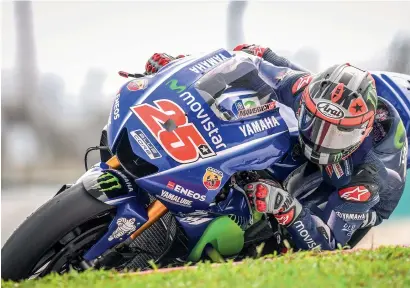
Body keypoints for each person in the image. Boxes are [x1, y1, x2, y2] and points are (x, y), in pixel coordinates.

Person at [142, 45, 408, 250]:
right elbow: (249, 60)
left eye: (338, 133)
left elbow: (330, 246)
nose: (322, 140)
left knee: (286, 240)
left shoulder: (368, 178)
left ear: (360, 132)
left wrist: (288, 208)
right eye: (315, 122)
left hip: (352, 183)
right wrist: (180, 68)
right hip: (343, 110)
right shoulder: (303, 88)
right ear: (306, 102)